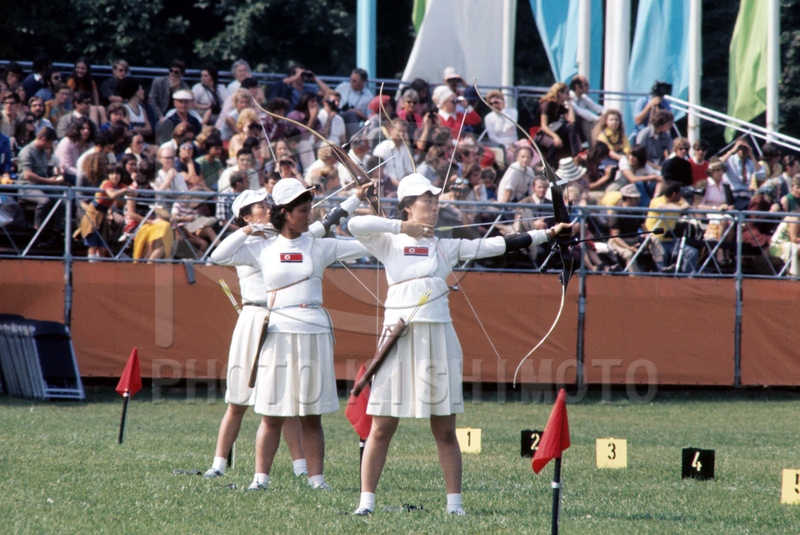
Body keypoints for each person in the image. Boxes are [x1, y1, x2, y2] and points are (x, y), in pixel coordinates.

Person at [347, 173, 569, 516]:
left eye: (436, 200)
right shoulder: (388, 241)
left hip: (438, 335)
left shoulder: (446, 246)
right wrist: (403, 228)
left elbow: (493, 245)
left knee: (445, 428)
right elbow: (354, 225)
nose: (435, 206)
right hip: (398, 335)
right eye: (427, 200)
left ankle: (455, 505)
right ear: (408, 206)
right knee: (382, 426)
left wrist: (548, 234)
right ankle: (366, 503)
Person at [209, 178, 369, 491]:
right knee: (271, 412)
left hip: (312, 330)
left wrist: (387, 223)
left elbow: (367, 244)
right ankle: (260, 478)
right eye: (302, 210)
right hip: (278, 331)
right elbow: (219, 256)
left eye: (310, 209)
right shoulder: (263, 247)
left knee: (311, 414)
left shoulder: (318, 244)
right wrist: (249, 229)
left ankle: (316, 479)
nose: (309, 215)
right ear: (284, 212)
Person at [204, 189, 309, 480]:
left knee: (284, 400)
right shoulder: (247, 244)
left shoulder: (281, 239)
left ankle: (301, 467)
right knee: (238, 400)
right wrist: (250, 230)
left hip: (282, 316)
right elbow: (217, 255)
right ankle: (218, 464)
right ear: (247, 216)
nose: (267, 207)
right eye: (260, 206)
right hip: (253, 317)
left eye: (266, 203)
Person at [76, 162, 131, 259]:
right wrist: (124, 191)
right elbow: (112, 195)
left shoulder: (120, 185)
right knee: (93, 244)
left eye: (117, 173)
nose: (115, 176)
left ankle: (100, 265)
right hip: (93, 213)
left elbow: (134, 193)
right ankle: (92, 265)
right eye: (112, 173)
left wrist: (126, 189)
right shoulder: (107, 183)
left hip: (104, 213)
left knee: (102, 245)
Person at [644, 181, 698, 273]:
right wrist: (680, 208)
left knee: (692, 252)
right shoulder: (656, 201)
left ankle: (685, 277)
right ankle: (660, 276)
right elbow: (662, 207)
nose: (681, 196)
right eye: (679, 194)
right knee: (662, 253)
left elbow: (687, 205)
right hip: (655, 240)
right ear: (674, 194)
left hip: (670, 241)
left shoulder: (678, 202)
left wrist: (683, 204)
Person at [17, 127, 65, 230]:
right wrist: (49, 181)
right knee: (44, 201)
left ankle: (56, 228)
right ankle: (38, 228)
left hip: (42, 185)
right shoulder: (27, 152)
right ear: (43, 139)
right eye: (50, 143)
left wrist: (55, 179)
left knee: (61, 200)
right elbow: (28, 175)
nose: (50, 146)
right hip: (27, 186)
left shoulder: (43, 151)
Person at [534, 83, 581, 168]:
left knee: (571, 126)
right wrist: (555, 137)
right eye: (567, 93)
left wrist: (570, 104)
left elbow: (571, 120)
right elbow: (544, 126)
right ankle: (548, 166)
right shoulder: (547, 104)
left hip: (553, 130)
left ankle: (576, 155)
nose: (569, 95)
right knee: (554, 143)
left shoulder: (560, 106)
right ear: (560, 93)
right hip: (541, 134)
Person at [607, 184, 647, 272]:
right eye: (636, 198)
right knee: (628, 254)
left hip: (635, 239)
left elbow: (645, 230)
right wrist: (629, 248)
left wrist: (647, 239)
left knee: (654, 238)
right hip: (619, 242)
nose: (639, 200)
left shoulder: (637, 211)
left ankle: (660, 269)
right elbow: (615, 237)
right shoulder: (616, 212)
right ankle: (634, 277)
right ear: (628, 199)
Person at [719, 138, 763, 210]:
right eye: (740, 148)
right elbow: (718, 164)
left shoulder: (750, 162)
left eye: (744, 148)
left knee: (760, 202)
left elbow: (761, 174)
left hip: (746, 194)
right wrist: (732, 151)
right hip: (732, 194)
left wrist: (752, 155)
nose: (742, 150)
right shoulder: (730, 160)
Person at [55, 117, 95, 185]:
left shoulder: (90, 144)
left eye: (88, 129)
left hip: (83, 175)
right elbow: (67, 168)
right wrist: (83, 174)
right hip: (66, 175)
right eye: (83, 128)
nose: (86, 131)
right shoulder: (66, 142)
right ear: (77, 129)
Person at [569, 75, 604, 145]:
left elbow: (597, 108)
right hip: (570, 128)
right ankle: (594, 146)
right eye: (586, 85)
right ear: (577, 87)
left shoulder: (583, 98)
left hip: (578, 128)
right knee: (586, 122)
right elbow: (580, 112)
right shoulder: (569, 97)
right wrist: (598, 119)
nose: (588, 87)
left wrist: (609, 115)